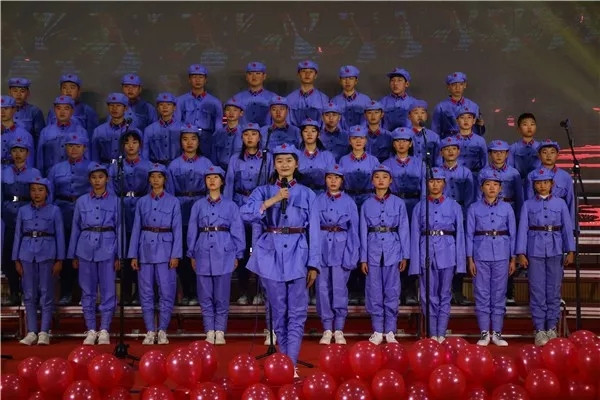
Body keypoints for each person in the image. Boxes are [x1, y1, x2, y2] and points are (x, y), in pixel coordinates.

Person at [240, 143, 318, 375]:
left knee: (297, 313)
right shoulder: (263, 191)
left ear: (296, 164)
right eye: (280, 161)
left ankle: (291, 364)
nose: (284, 165)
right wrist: (272, 200)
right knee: (279, 312)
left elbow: (314, 231)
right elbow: (245, 214)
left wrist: (314, 264)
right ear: (274, 165)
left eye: (289, 160)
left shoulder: (307, 193)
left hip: (298, 253)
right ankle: (283, 362)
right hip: (270, 254)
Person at [516, 168, 575, 346]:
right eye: (539, 183)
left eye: (546, 182)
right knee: (537, 290)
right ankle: (540, 329)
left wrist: (570, 250)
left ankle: (552, 327)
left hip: (555, 249)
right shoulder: (528, 205)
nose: (542, 186)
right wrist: (521, 252)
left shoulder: (561, 204)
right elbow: (523, 229)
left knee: (554, 290)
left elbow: (567, 228)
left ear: (552, 184)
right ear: (534, 185)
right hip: (535, 250)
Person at [188, 166, 245, 345]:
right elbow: (192, 230)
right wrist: (191, 252)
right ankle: (209, 330)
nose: (212, 181)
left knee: (222, 295)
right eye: (208, 178)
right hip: (202, 251)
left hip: (224, 251)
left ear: (222, 181)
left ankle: (220, 330)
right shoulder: (198, 205)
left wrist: (238, 253)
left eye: (215, 177)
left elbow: (238, 230)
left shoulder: (231, 206)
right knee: (205, 295)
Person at [410, 167, 466, 343]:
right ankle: (432, 332)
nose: (435, 185)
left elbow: (460, 235)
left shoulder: (454, 206)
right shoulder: (420, 207)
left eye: (438, 181)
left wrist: (460, 262)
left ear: (444, 183)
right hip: (426, 251)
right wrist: (415, 263)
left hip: (447, 252)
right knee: (428, 294)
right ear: (427, 184)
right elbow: (414, 235)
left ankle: (441, 332)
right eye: (431, 181)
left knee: (444, 293)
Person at [128, 163, 182, 345]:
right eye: (152, 177)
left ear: (165, 179)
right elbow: (136, 228)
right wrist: (133, 255)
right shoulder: (142, 202)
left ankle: (163, 330)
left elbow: (177, 230)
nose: (156, 180)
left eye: (159, 176)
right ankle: (150, 330)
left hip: (166, 251)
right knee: (146, 292)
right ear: (149, 180)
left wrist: (176, 254)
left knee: (167, 291)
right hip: (145, 250)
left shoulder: (173, 201)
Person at [68, 163, 121, 345]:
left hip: (108, 247)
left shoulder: (115, 201)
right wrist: (73, 254)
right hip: (85, 248)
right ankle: (91, 328)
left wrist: (119, 254)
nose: (97, 181)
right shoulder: (82, 201)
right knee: (87, 291)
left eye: (101, 177)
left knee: (108, 290)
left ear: (107, 179)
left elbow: (120, 228)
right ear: (89, 180)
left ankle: (104, 328)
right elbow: (75, 228)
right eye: (94, 177)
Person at [224, 123, 273, 315]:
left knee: (261, 249)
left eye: (254, 134)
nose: (250, 137)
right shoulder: (235, 160)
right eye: (246, 134)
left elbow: (271, 185)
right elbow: (229, 186)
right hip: (240, 207)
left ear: (259, 137)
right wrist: (228, 211)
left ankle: (261, 290)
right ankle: (244, 290)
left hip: (260, 207)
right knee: (241, 249)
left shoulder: (268, 158)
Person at [360, 164, 410, 344]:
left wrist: (405, 255)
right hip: (373, 251)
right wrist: (363, 258)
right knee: (374, 291)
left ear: (390, 181)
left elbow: (404, 229)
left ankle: (390, 330)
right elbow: (362, 232)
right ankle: (377, 330)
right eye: (377, 177)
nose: (381, 180)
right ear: (372, 181)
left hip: (392, 249)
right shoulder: (366, 204)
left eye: (385, 177)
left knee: (392, 290)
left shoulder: (399, 203)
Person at [309, 164, 359, 345]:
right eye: (329, 177)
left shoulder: (349, 202)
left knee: (339, 289)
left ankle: (339, 328)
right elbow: (313, 230)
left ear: (342, 181)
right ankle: (326, 328)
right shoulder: (317, 201)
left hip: (341, 249)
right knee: (322, 289)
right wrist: (313, 257)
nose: (333, 181)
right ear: (325, 180)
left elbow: (354, 232)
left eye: (336, 178)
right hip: (322, 248)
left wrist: (352, 255)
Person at [466, 170, 516, 347]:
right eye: (488, 184)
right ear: (482, 188)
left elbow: (513, 234)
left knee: (499, 294)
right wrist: (470, 259)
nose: (492, 188)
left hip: (502, 254)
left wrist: (513, 258)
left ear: (500, 188)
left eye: (495, 184)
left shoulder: (507, 208)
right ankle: (484, 333)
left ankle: (497, 333)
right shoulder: (474, 208)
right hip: (481, 254)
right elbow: (469, 234)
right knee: (482, 294)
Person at [13, 177, 64, 345]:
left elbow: (60, 235)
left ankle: (44, 332)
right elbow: (18, 234)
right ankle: (32, 331)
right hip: (26, 253)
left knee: (46, 293)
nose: (36, 193)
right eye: (33, 190)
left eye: (40, 190)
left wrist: (60, 259)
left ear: (47, 193)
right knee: (29, 294)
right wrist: (16, 258)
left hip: (47, 253)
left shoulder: (54, 211)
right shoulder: (23, 211)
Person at [167, 124, 214, 305]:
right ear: (180, 142)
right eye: (185, 139)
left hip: (202, 209)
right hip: (181, 210)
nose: (189, 143)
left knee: (201, 252)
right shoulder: (173, 165)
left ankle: (201, 292)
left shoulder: (207, 164)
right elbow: (170, 193)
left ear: (198, 142)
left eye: (193, 139)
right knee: (184, 253)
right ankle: (187, 292)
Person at [477, 140, 524, 305]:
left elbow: (520, 198)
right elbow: (478, 197)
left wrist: (519, 218)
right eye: (495, 152)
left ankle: (508, 292)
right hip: (487, 213)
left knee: (507, 253)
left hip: (508, 212)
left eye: (502, 152)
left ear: (507, 154)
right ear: (490, 154)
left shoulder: (514, 173)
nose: (498, 155)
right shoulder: (483, 173)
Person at [108, 129, 152, 305]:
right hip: (123, 209)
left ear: (140, 145)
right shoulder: (116, 166)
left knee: (142, 251)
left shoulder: (148, 166)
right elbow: (111, 190)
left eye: (134, 142)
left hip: (142, 208)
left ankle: (141, 293)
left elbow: (152, 189)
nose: (131, 146)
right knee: (124, 251)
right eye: (127, 142)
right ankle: (126, 293)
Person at [383, 127, 425, 305]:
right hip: (393, 206)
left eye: (405, 141)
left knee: (412, 246)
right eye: (398, 141)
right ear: (393, 144)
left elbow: (425, 189)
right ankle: (394, 289)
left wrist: (422, 209)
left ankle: (409, 288)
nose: (401, 144)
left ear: (410, 144)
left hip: (413, 205)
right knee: (395, 245)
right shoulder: (386, 164)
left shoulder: (420, 163)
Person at [48, 134, 92, 305]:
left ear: (84, 148)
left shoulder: (92, 167)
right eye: (70, 146)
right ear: (65, 148)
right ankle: (66, 292)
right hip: (63, 213)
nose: (73, 149)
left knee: (84, 254)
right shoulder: (56, 169)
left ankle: (85, 293)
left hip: (86, 215)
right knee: (66, 253)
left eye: (77, 146)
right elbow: (50, 194)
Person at [1, 136, 41, 306]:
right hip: (9, 216)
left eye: (21, 150)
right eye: (14, 150)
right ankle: (14, 292)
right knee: (9, 255)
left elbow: (40, 196)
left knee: (28, 256)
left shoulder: (34, 173)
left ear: (27, 153)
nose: (18, 154)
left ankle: (30, 292)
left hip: (28, 218)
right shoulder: (4, 172)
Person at [439, 136, 475, 306]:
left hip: (461, 213)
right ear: (441, 152)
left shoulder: (466, 172)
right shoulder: (436, 172)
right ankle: (443, 291)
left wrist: (465, 216)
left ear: (459, 151)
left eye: (454, 148)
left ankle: (458, 290)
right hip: (442, 215)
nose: (451, 152)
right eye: (447, 149)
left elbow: (470, 198)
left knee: (459, 251)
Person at [37, 95, 89, 176]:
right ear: (54, 110)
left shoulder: (81, 131)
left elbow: (87, 157)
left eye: (66, 108)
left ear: (72, 111)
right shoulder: (45, 132)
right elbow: (40, 158)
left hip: (75, 175)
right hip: (50, 175)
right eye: (58, 108)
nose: (62, 112)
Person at [525, 140, 575, 222]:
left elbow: (571, 202)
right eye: (544, 152)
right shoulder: (532, 175)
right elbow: (528, 200)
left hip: (559, 219)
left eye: (552, 152)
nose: (548, 155)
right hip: (538, 219)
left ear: (558, 155)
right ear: (539, 155)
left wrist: (572, 226)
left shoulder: (566, 177)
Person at [431, 72, 485, 139]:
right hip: (449, 142)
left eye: (461, 84)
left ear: (465, 85)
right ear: (448, 87)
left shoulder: (473, 106)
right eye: (454, 85)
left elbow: (478, 131)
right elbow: (435, 131)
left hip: (469, 142)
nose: (458, 88)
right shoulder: (441, 107)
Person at [175, 64, 223, 138]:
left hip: (208, 138)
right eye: (194, 77)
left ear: (205, 80)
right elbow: (176, 124)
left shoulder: (215, 102)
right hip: (187, 137)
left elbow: (218, 126)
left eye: (201, 77)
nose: (197, 80)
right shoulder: (180, 101)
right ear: (189, 80)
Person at [338, 125, 380, 208]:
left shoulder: (374, 161)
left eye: (361, 138)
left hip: (369, 199)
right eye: (354, 138)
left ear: (366, 140)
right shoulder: (343, 160)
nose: (358, 141)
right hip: (348, 198)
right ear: (349, 141)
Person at [297, 118, 336, 196]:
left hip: (322, 195)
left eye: (313, 131)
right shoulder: (296, 155)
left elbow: (333, 178)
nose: (309, 134)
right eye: (306, 131)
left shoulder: (328, 156)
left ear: (318, 134)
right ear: (301, 134)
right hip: (300, 195)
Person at [91, 93, 133, 165]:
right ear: (108, 107)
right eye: (111, 105)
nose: (114, 108)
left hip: (125, 167)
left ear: (125, 108)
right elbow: (95, 156)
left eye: (118, 105)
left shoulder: (132, 131)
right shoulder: (98, 131)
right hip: (104, 168)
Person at [143, 92, 183, 165]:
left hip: (177, 166)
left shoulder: (182, 128)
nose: (165, 107)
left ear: (174, 107)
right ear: (157, 108)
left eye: (168, 104)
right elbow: (145, 154)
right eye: (161, 104)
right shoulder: (149, 130)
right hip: (155, 167)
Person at [286, 60, 329, 127]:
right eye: (303, 71)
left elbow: (326, 125)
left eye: (311, 72)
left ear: (315, 75)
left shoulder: (324, 99)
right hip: (295, 133)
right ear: (298, 74)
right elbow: (288, 124)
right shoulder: (289, 99)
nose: (307, 74)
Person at [233, 61, 277, 126]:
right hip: (243, 132)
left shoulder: (274, 98)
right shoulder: (237, 98)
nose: (254, 77)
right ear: (246, 77)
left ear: (264, 76)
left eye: (258, 73)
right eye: (250, 74)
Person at [330, 65, 371, 130]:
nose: (347, 82)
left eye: (351, 78)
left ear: (356, 81)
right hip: (340, 135)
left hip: (361, 136)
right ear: (340, 81)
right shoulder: (334, 101)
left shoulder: (366, 100)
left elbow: (370, 123)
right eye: (344, 78)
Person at [452, 105, 487, 178]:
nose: (466, 120)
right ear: (457, 121)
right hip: (455, 177)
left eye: (469, 117)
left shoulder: (480, 141)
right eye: (462, 117)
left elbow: (485, 164)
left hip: (475, 177)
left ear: (474, 121)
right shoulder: (450, 140)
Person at [8, 77, 45, 145]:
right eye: (15, 91)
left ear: (28, 93)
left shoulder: (35, 111)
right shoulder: (2, 111)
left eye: (22, 91)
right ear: (9, 92)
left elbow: (40, 138)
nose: (18, 94)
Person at [211, 97, 244, 170]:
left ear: (241, 113)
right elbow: (214, 157)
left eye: (235, 110)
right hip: (221, 170)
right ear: (224, 112)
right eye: (228, 110)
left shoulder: (245, 133)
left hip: (238, 170)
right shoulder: (218, 134)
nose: (231, 113)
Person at [2, 95, 35, 167]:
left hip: (15, 172)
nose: (2, 112)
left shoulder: (24, 135)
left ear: (14, 109)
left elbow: (29, 164)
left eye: (6, 108)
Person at [379, 67, 415, 132]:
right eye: (392, 80)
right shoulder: (382, 102)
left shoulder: (414, 103)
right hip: (387, 137)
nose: (395, 83)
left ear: (407, 84)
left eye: (399, 80)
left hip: (408, 137)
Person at [508, 113, 541, 181]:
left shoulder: (541, 147)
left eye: (532, 124)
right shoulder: (513, 148)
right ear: (519, 129)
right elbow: (510, 169)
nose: (529, 127)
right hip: (519, 183)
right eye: (525, 124)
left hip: (538, 183)